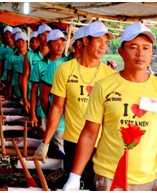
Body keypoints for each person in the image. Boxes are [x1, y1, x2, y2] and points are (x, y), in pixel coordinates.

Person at [63, 22, 157, 191]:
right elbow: (89, 133)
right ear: (121, 52)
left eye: (146, 48)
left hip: (146, 178)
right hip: (107, 175)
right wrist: (75, 176)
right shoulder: (104, 86)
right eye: (133, 47)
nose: (140, 53)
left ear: (152, 52)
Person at [34, 22, 115, 190]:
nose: (103, 47)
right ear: (85, 41)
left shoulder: (109, 75)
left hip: (100, 143)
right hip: (73, 140)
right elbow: (57, 107)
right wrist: (46, 142)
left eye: (106, 43)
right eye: (99, 41)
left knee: (95, 186)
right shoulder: (64, 69)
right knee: (74, 185)